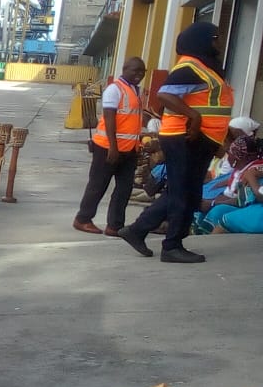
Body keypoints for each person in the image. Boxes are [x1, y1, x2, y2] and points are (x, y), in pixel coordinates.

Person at [119, 22, 235, 263]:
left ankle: (138, 230)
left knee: (187, 193)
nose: (219, 42)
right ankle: (171, 246)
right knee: (182, 193)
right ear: (203, 40)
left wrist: (219, 138)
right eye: (216, 37)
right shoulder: (192, 66)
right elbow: (164, 94)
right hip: (185, 137)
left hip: (199, 139)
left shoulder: (206, 68)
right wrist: (193, 116)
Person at [73, 57, 147, 236]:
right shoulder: (115, 89)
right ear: (124, 69)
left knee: (124, 188)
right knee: (98, 185)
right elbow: (109, 117)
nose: (138, 74)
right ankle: (83, 219)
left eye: (142, 71)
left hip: (129, 149)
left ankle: (115, 225)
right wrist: (113, 147)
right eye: (134, 70)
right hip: (108, 148)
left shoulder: (135, 91)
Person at [200, 136, 263, 233]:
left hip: (250, 207)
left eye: (230, 152)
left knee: (218, 212)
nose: (228, 154)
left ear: (240, 157)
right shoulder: (245, 169)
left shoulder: (253, 170)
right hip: (247, 204)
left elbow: (242, 199)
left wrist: (213, 203)